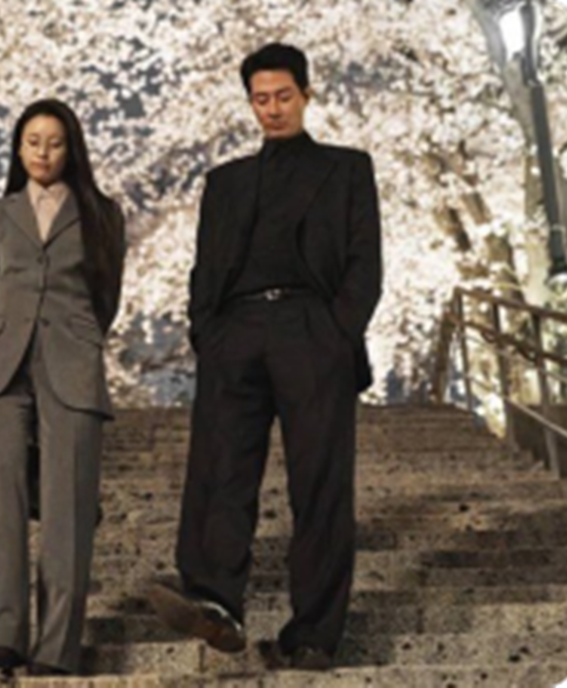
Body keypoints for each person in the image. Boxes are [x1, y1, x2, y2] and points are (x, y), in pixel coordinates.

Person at [147, 42, 382, 671]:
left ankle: (314, 634)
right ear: (249, 104)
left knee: (320, 485)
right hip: (236, 333)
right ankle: (215, 602)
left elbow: (365, 262)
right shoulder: (224, 183)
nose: (272, 109)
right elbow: (204, 269)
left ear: (306, 95)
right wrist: (208, 332)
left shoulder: (347, 169)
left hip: (313, 329)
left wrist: (337, 332)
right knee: (219, 471)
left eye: (282, 96)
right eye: (260, 99)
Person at [0, 98, 126, 678]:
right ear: (17, 147)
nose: (43, 152)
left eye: (54, 143)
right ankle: (4, 634)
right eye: (32, 141)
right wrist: (10, 334)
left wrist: (77, 337)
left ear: (71, 149)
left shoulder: (102, 214)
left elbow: (106, 297)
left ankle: (57, 645)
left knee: (68, 507)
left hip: (72, 361)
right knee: (2, 498)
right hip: (1, 366)